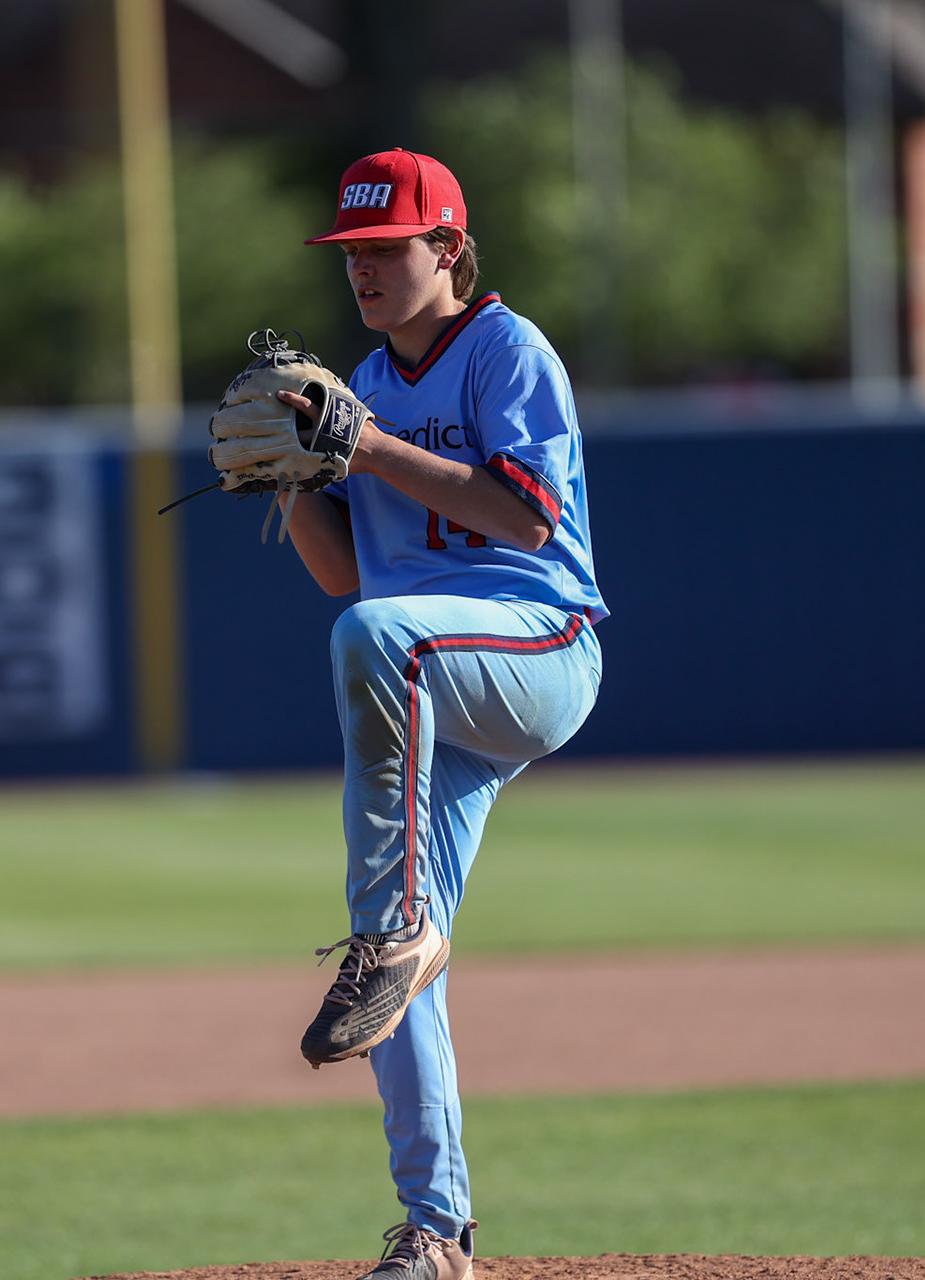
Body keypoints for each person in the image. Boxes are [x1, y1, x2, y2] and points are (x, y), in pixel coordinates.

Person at [278, 148, 607, 1280]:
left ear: (450, 250)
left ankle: (403, 929)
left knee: (378, 642)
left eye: (387, 248)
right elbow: (340, 572)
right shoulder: (358, 385)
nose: (363, 269)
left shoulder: (510, 352)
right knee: (389, 951)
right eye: (352, 252)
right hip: (429, 674)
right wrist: (287, 479)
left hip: (539, 645)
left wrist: (363, 443)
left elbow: (522, 519)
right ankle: (436, 1228)